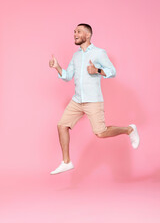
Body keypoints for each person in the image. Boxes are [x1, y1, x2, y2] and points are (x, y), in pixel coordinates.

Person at [49, 23, 140, 175]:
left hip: (93, 100)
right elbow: (67, 76)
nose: (75, 34)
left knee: (101, 133)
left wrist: (97, 70)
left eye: (78, 32)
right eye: (74, 32)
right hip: (77, 100)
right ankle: (66, 162)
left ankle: (129, 129)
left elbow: (112, 71)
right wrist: (57, 67)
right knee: (61, 125)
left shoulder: (99, 53)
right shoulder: (76, 55)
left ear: (88, 35)